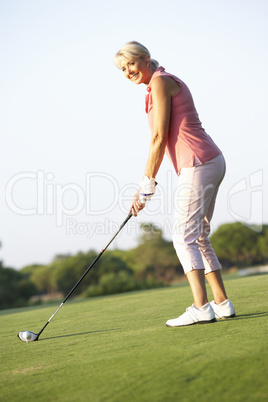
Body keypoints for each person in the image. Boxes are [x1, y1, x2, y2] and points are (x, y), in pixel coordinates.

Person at [114, 41, 235, 327]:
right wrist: (147, 185)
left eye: (131, 63)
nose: (128, 71)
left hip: (198, 163)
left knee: (183, 236)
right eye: (123, 68)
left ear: (145, 59)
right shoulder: (161, 82)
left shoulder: (160, 82)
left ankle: (200, 307)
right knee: (199, 235)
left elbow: (158, 137)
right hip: (210, 160)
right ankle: (222, 303)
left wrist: (146, 186)